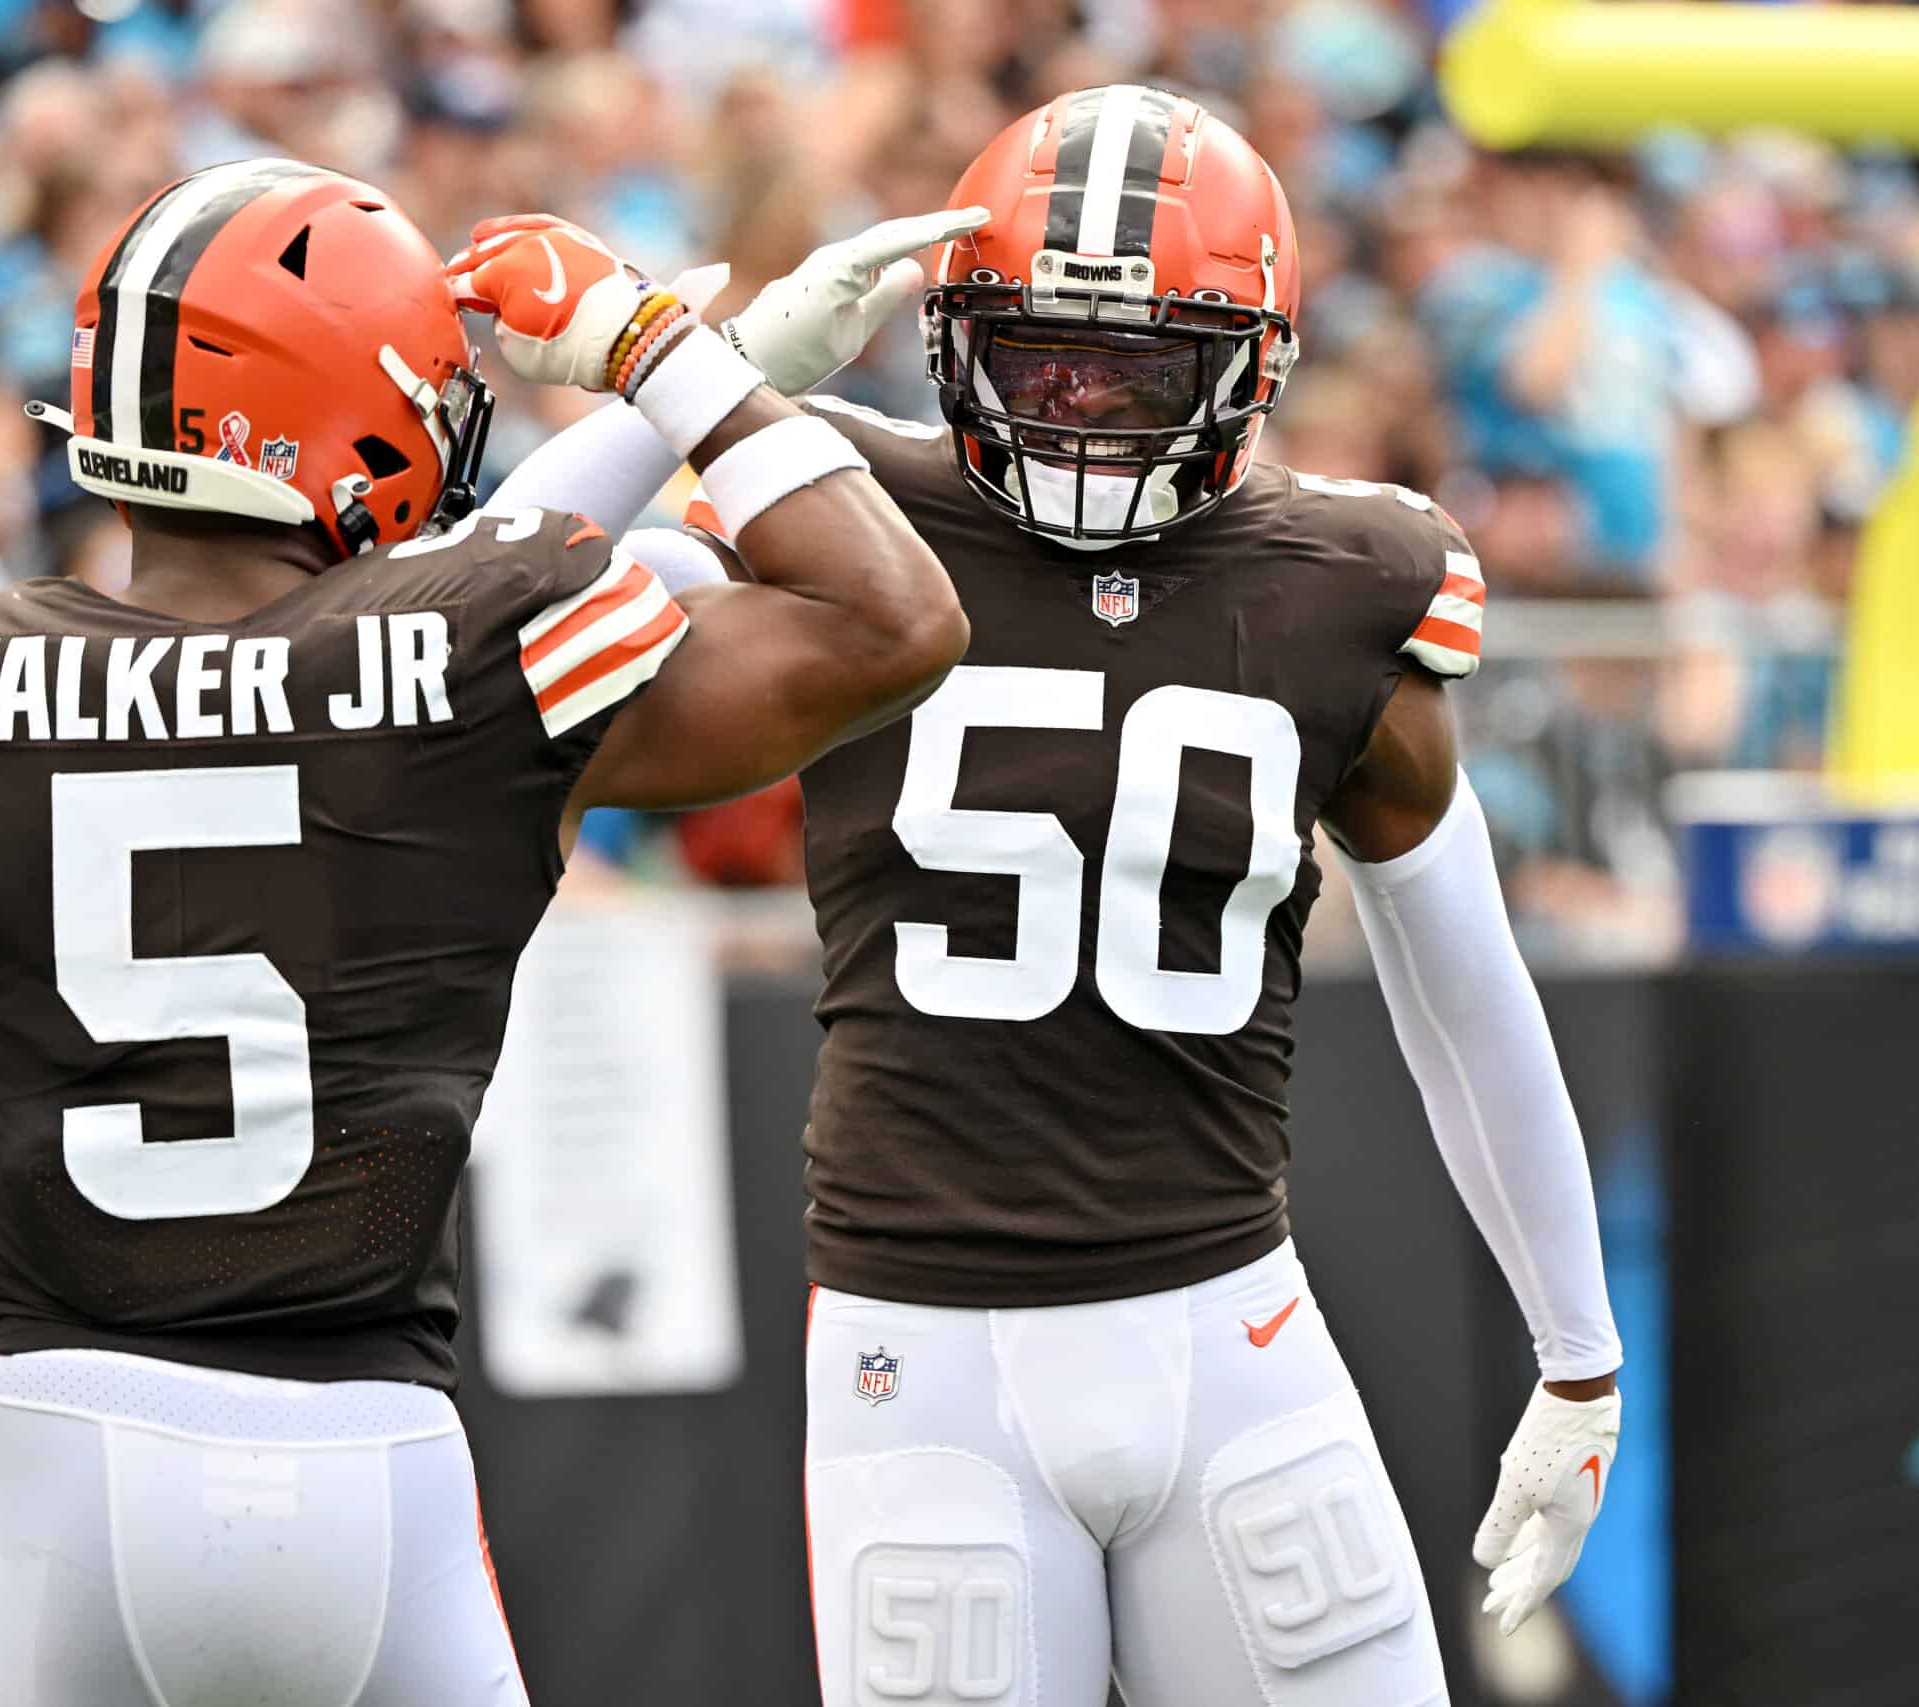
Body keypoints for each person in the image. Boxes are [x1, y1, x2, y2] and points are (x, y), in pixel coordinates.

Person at [0, 160, 964, 1704]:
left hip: (52, 1460)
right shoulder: (473, 669)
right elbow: (890, 620)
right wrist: (668, 354)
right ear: (349, 420)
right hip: (375, 1481)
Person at [487, 85, 1625, 1707]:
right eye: (1042, 359)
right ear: (955, 342)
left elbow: (1469, 996)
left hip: (1224, 1315)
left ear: (1251, 362)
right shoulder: (843, 521)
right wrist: (718, 372)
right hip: (928, 1358)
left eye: (1137, 367)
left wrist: (1579, 1357)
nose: (1084, 410)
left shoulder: (1340, 588)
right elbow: (460, 623)